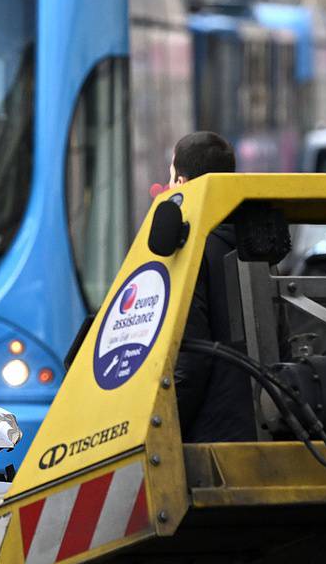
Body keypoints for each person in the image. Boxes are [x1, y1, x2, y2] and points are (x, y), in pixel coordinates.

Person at [65, 132, 252, 440]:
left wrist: (154, 428)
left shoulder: (193, 249)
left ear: (181, 182)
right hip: (253, 426)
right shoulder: (252, 243)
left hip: (207, 438)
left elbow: (191, 360)